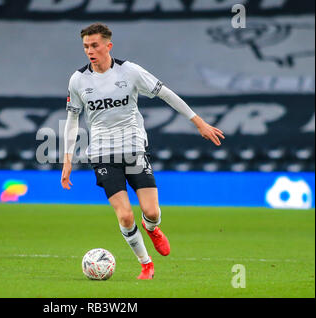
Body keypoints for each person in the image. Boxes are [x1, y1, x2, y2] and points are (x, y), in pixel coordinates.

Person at [61, 23, 224, 280]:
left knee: (151, 211)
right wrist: (67, 159)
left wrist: (199, 122)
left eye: (94, 45)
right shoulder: (78, 80)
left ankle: (152, 228)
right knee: (125, 215)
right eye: (85, 46)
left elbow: (166, 94)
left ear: (108, 46)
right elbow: (72, 119)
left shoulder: (130, 72)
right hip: (103, 154)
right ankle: (146, 264)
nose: (89, 51)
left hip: (134, 149)